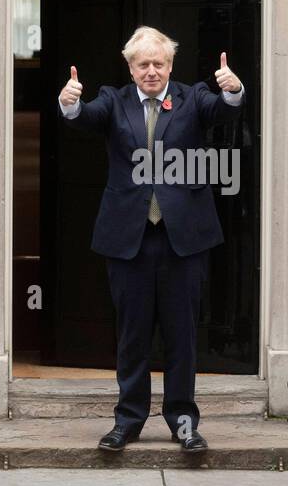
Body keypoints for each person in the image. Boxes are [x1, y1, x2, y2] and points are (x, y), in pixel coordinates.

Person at [58, 26, 244, 454]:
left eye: (159, 63)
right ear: (131, 67)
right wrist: (69, 104)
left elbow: (224, 111)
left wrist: (233, 91)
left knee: (182, 334)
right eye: (143, 64)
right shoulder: (114, 99)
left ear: (170, 65)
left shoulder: (193, 96)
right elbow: (86, 117)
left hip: (184, 238)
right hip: (130, 238)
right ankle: (128, 419)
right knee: (132, 333)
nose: (151, 71)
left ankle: (183, 420)